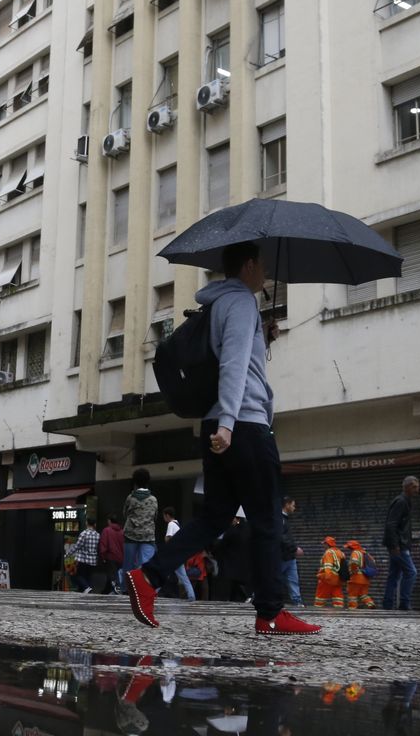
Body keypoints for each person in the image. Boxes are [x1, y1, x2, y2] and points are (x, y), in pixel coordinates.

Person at [125, 241, 319, 635]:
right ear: (248, 264)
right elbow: (232, 363)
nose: (265, 272)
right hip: (242, 426)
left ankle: (148, 577)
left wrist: (263, 336)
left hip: (216, 424)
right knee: (267, 521)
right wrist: (230, 422)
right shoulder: (242, 303)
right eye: (261, 264)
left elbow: (235, 360)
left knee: (214, 518)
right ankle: (270, 613)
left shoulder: (218, 305)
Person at [382, 475, 420, 611]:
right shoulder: (401, 501)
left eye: (417, 487)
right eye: (414, 487)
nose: (417, 489)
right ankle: (404, 603)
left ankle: (387, 604)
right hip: (398, 546)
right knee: (411, 573)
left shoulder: (406, 501)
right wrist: (394, 546)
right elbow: (391, 525)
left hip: (399, 544)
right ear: (406, 487)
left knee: (394, 574)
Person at [122, 469, 159, 586]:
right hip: (148, 536)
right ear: (147, 482)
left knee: (128, 564)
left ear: (135, 482)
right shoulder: (153, 500)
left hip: (130, 535)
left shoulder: (130, 498)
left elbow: (125, 513)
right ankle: (144, 588)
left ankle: (125, 589)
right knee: (146, 564)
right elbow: (155, 517)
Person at [159, 507, 195, 601]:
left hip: (173, 555)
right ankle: (191, 596)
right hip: (178, 555)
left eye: (164, 516)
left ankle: (153, 592)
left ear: (167, 515)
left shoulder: (171, 524)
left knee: (162, 572)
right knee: (183, 577)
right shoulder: (177, 524)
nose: (164, 518)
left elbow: (168, 538)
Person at [280, 496, 305, 606]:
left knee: (293, 581)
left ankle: (297, 602)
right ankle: (256, 597)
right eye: (293, 505)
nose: (294, 508)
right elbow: (281, 537)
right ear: (287, 505)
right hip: (281, 557)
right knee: (273, 579)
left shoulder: (284, 519)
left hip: (289, 557)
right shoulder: (280, 519)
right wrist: (294, 548)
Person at [314, 537, 346, 608]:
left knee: (321, 595)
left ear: (327, 544)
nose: (323, 545)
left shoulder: (328, 552)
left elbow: (328, 565)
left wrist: (326, 577)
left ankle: (318, 608)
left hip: (328, 577)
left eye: (324, 544)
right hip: (338, 578)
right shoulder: (340, 552)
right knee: (337, 594)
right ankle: (339, 609)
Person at [345, 540, 377, 609]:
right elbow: (373, 563)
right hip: (366, 578)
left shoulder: (355, 552)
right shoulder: (366, 553)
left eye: (349, 547)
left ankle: (352, 608)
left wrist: (352, 572)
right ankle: (371, 604)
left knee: (352, 595)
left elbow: (354, 563)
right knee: (363, 594)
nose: (349, 549)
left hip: (356, 578)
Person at [72, 518, 101, 593]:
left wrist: (68, 553)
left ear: (86, 523)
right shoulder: (98, 535)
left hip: (83, 559)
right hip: (93, 560)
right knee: (88, 576)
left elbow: (77, 546)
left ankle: (87, 587)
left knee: (79, 575)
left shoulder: (83, 534)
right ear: (95, 524)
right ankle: (87, 590)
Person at [99, 516, 125, 594]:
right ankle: (106, 590)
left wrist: (103, 556)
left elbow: (104, 544)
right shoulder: (122, 531)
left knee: (112, 575)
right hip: (121, 557)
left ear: (109, 521)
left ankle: (117, 590)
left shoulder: (106, 530)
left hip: (110, 556)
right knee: (114, 574)